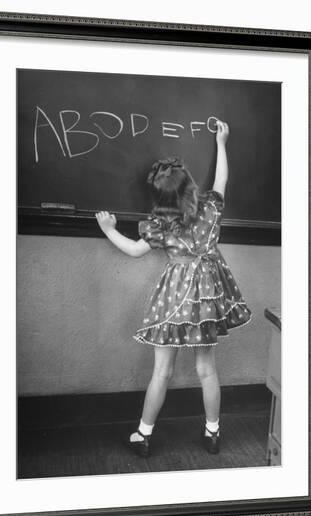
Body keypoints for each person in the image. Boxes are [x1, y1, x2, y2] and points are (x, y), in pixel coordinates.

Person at [95, 120, 252, 457]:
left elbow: (136, 250)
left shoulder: (160, 225)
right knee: (206, 369)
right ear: (192, 187)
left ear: (160, 198)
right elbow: (222, 180)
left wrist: (109, 230)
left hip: (174, 299)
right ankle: (213, 432)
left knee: (161, 372)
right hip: (207, 300)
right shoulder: (210, 209)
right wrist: (222, 142)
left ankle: (143, 434)